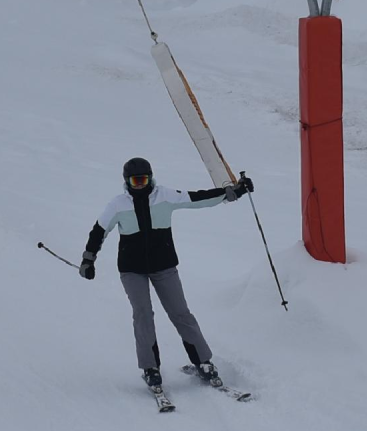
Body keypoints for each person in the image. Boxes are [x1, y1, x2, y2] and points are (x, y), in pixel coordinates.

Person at [80, 157, 253, 392]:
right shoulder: (117, 205)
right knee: (143, 315)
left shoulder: (164, 196)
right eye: (135, 181)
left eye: (144, 180)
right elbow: (99, 231)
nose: (140, 185)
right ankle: (150, 368)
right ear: (127, 182)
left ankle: (203, 362)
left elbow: (198, 198)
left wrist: (232, 192)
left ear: (151, 178)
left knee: (181, 313)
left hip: (164, 266)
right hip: (132, 270)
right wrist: (88, 259)